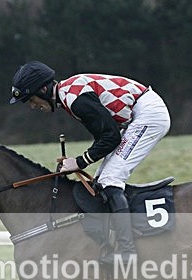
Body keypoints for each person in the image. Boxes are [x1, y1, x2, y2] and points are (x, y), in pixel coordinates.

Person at [9, 60, 171, 264]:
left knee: (111, 179)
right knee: (101, 181)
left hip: (148, 115)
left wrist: (78, 162)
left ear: (43, 89)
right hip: (139, 114)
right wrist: (77, 161)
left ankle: (128, 252)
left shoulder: (75, 100)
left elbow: (111, 138)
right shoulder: (69, 95)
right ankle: (114, 240)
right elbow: (106, 138)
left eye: (31, 99)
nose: (32, 106)